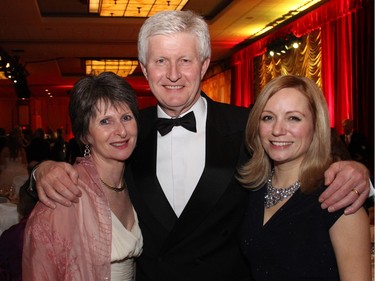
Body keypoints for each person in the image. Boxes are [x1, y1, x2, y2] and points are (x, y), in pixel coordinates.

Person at [29, 10, 370, 281]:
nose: (173, 74)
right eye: (161, 61)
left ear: (204, 65)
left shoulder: (250, 126)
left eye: (186, 61)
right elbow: (82, 181)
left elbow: (301, 165)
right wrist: (41, 172)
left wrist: (360, 175)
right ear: (145, 69)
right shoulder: (128, 132)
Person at [237, 75, 371, 280]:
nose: (277, 130)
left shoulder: (339, 198)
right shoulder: (252, 190)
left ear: (316, 126)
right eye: (268, 117)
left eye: (294, 118)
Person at [22, 72, 143, 280]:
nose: (121, 131)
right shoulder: (68, 191)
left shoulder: (135, 178)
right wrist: (38, 171)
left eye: (126, 117)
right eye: (105, 121)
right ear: (85, 135)